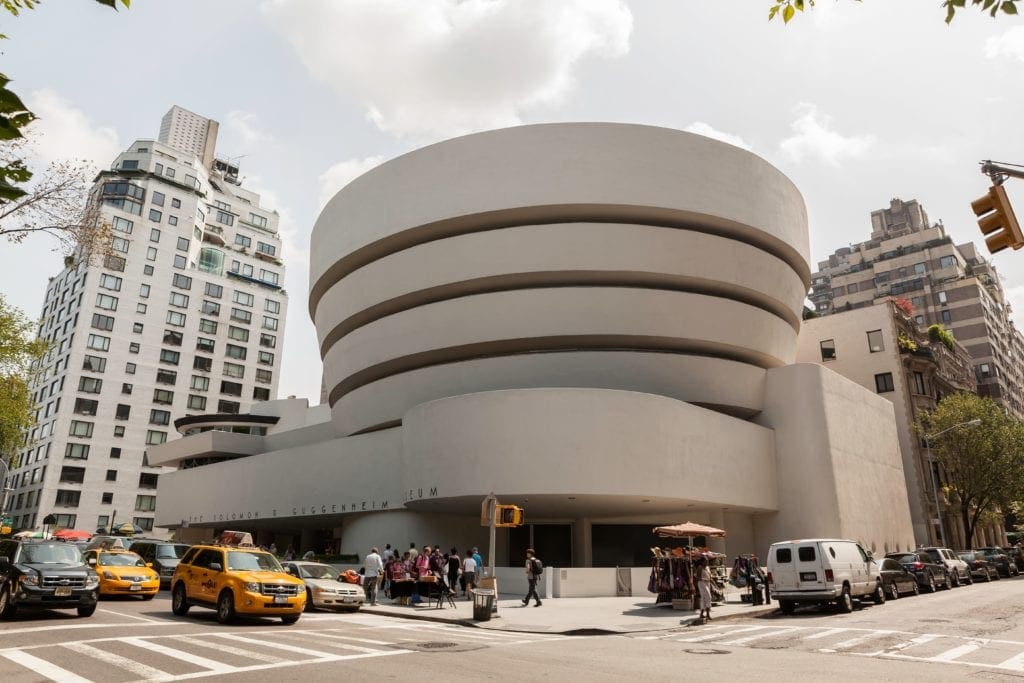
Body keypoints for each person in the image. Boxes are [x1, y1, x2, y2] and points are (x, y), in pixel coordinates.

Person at [697, 558, 713, 622]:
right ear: (702, 562)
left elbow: (710, 576)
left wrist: (712, 582)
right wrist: (705, 579)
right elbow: (698, 577)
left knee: (704, 598)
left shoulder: (707, 567)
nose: (707, 562)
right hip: (702, 583)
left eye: (707, 561)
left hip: (708, 583)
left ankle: (703, 614)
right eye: (705, 561)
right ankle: (708, 614)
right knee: (708, 597)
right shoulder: (700, 567)